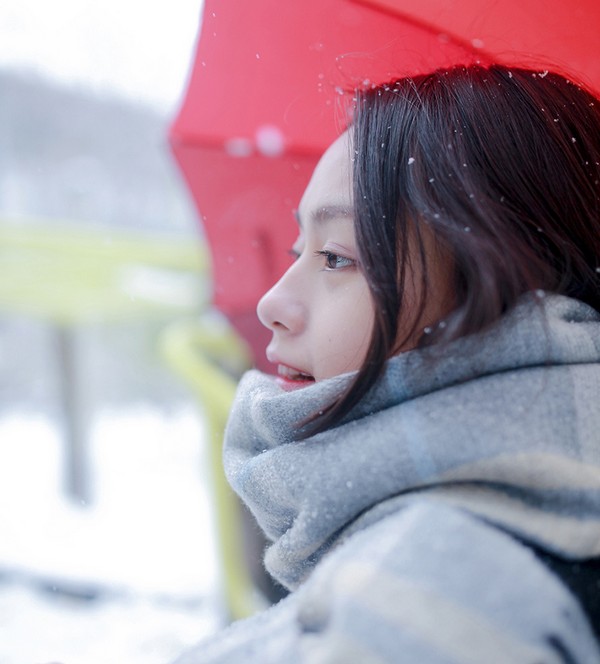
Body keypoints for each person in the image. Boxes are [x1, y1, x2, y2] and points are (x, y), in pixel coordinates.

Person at [172, 64, 600, 663]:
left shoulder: (434, 595)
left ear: (503, 285)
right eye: (298, 251)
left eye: (336, 257)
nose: (273, 303)